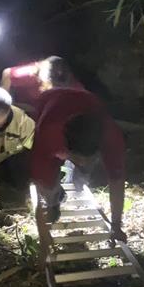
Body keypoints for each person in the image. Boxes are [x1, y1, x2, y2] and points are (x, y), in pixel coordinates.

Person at [31, 87, 126, 250]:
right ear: (66, 150)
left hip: (90, 101)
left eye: (87, 159)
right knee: (50, 180)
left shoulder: (111, 137)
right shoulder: (48, 136)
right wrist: (49, 212)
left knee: (83, 172)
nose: (81, 162)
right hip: (49, 102)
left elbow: (117, 179)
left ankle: (79, 176)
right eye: (77, 159)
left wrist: (116, 224)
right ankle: (60, 191)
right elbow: (39, 180)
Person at [0, 55, 82, 108]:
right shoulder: (33, 72)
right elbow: (7, 74)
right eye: (49, 81)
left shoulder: (75, 88)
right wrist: (5, 105)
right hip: (22, 107)